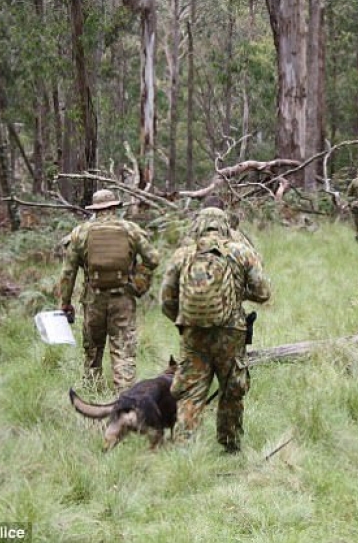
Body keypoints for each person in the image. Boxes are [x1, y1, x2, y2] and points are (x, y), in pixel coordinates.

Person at [160, 211, 271, 453]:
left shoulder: (183, 255)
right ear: (225, 226)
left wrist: (185, 323)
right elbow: (263, 292)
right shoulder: (240, 251)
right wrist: (237, 292)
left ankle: (184, 449)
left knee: (190, 391)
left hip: (193, 335)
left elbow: (167, 300)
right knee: (232, 389)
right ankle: (230, 445)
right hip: (231, 332)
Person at [59, 188, 161, 392]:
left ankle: (93, 396)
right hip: (123, 297)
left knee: (92, 351)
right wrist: (137, 281)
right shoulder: (131, 229)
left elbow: (68, 272)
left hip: (92, 299)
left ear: (96, 209)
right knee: (123, 349)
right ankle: (124, 400)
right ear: (115, 207)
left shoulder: (80, 233)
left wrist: (65, 302)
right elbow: (153, 259)